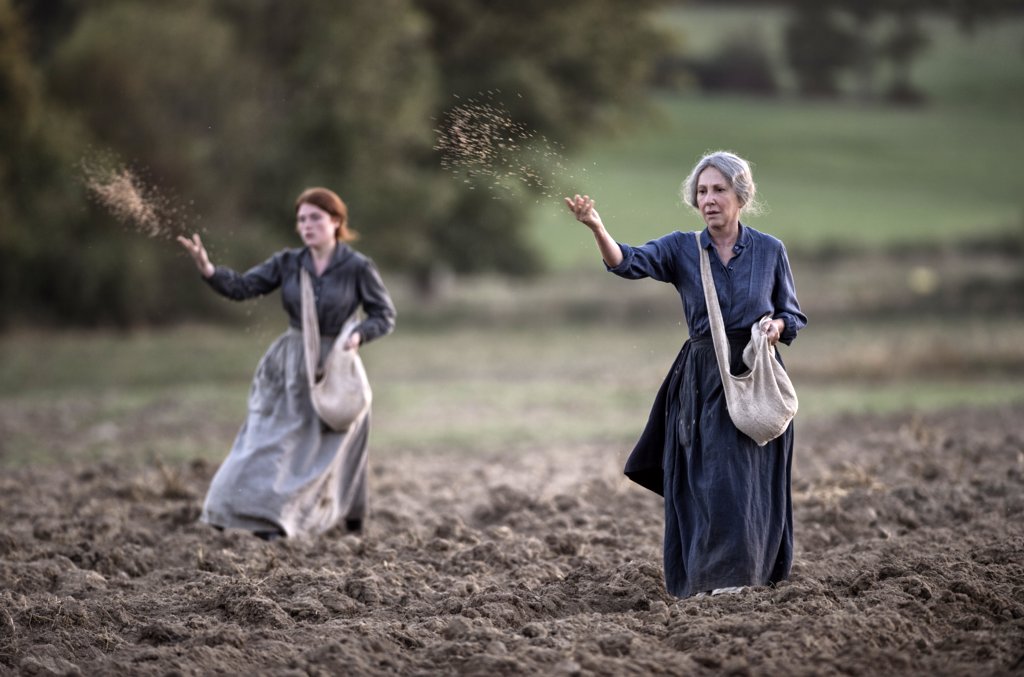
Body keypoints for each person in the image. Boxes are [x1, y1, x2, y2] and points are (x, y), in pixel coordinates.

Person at [565, 151, 807, 598]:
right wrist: (598, 228)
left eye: (718, 190)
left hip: (756, 379)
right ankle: (710, 582)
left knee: (751, 483)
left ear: (741, 195)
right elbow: (627, 262)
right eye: (701, 191)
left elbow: (793, 315)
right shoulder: (682, 248)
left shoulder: (771, 251)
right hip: (701, 382)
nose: (709, 199)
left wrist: (775, 327)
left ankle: (753, 579)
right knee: (712, 481)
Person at [177, 187, 396, 541]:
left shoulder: (357, 267)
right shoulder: (288, 263)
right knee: (268, 441)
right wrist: (208, 269)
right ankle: (236, 510)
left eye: (315, 218)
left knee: (333, 448)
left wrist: (359, 334)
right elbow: (243, 287)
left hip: (336, 368)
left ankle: (335, 521)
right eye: (301, 219)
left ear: (336, 221)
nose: (306, 225)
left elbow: (383, 315)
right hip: (291, 365)